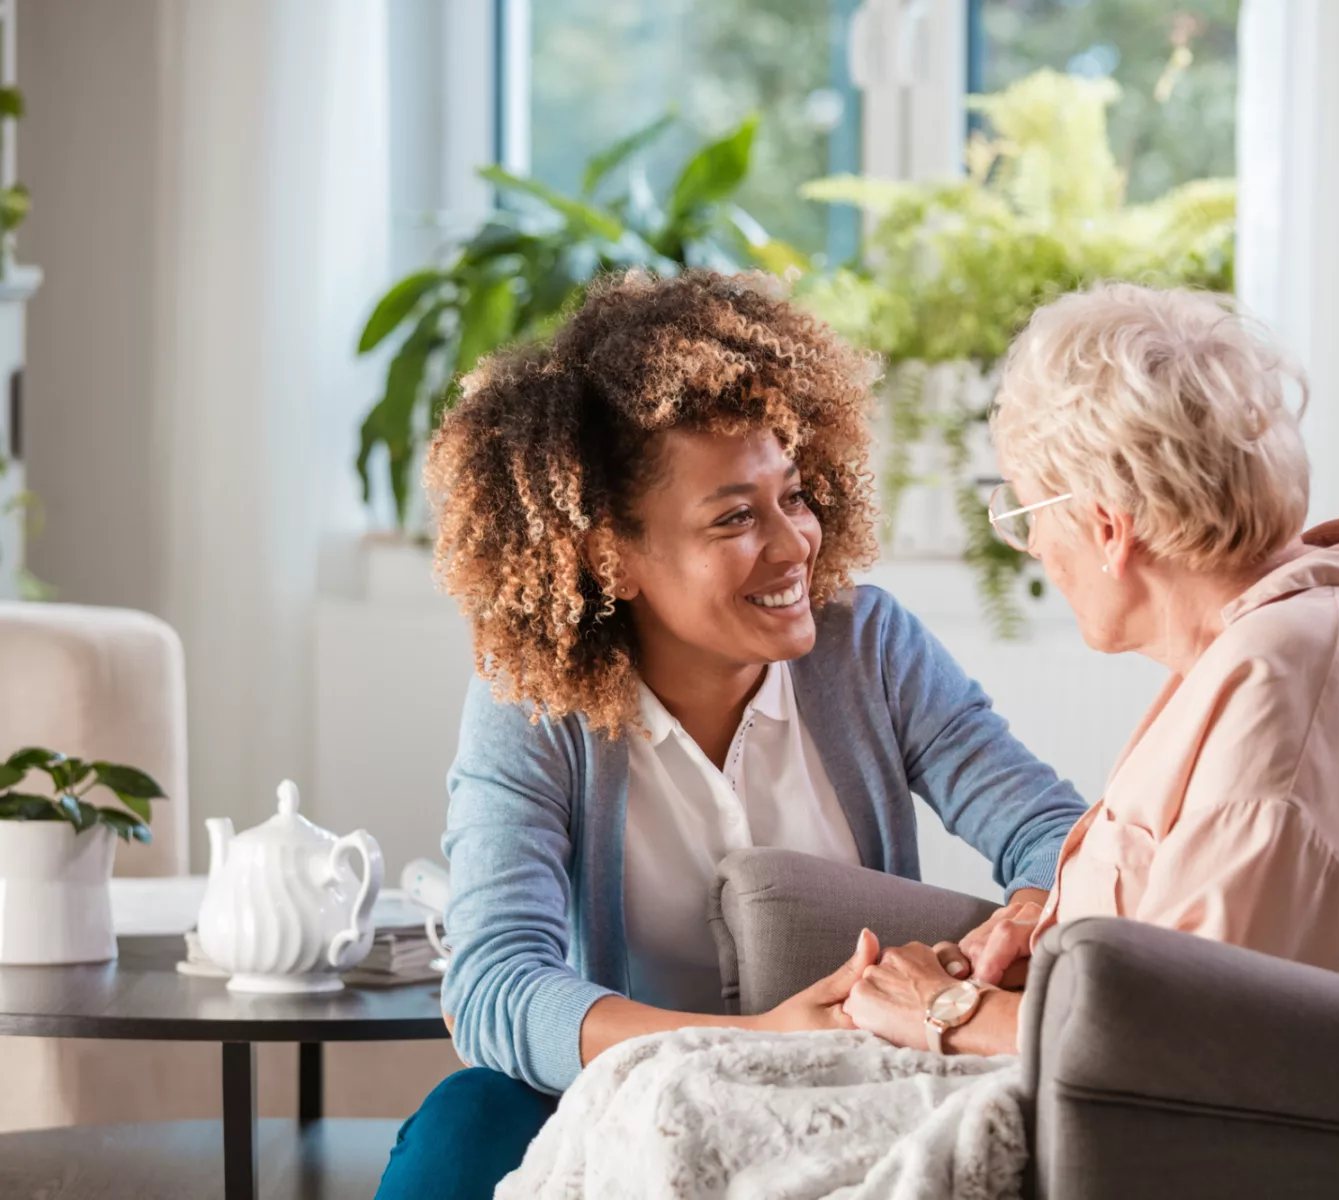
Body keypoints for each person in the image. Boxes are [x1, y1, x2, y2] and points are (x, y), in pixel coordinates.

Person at [375, 269, 1087, 1199]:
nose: (795, 545)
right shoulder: (534, 706)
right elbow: (497, 986)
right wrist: (754, 1041)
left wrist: (1032, 910)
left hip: (846, 1089)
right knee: (467, 1123)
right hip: (625, 1098)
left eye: (793, 495)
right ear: (610, 556)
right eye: (736, 518)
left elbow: (1054, 832)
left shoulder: (868, 647)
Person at [841, 282, 1339, 1056]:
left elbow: (1189, 1046)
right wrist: (1055, 936)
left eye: (1024, 516)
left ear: (1107, 526)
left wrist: (947, 1011)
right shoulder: (1295, 628)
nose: (1038, 551)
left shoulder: (1292, 688)